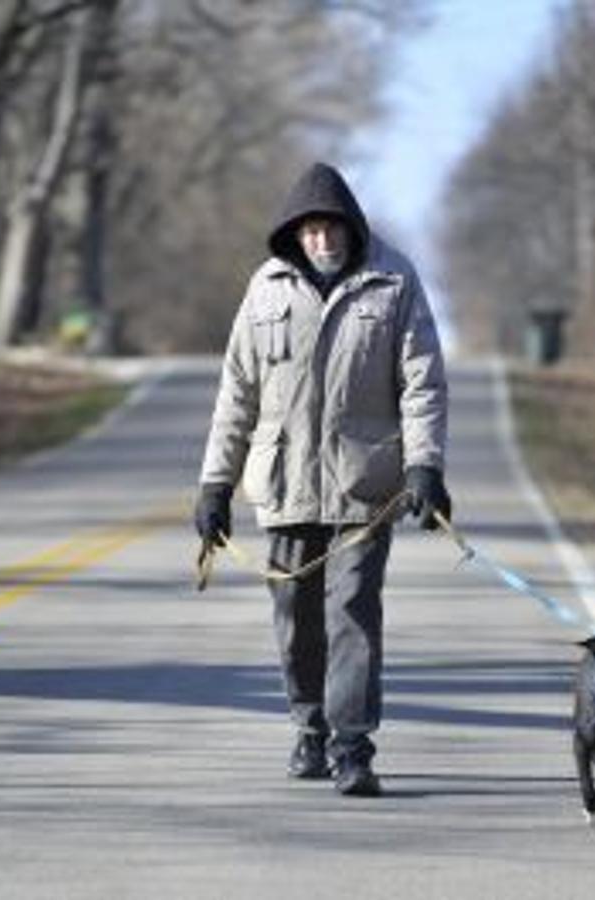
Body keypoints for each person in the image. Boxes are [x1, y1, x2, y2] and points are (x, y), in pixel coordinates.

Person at [194, 161, 450, 797]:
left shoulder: (393, 281)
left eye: (331, 228)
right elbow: (237, 392)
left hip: (365, 487)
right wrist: (215, 485)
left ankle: (352, 746)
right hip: (284, 485)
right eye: (310, 230)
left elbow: (422, 382)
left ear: (351, 227)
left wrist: (425, 466)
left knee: (352, 613)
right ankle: (309, 728)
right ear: (294, 234)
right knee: (295, 618)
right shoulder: (265, 288)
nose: (322, 239)